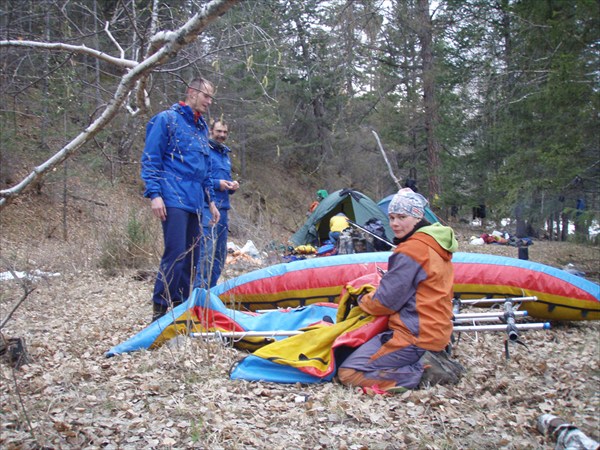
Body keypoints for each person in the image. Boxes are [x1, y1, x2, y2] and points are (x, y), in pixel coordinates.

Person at [337, 188, 458, 392]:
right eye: (392, 217)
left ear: (417, 217)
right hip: (436, 331)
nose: (395, 223)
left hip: (415, 335)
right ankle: (428, 360)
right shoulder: (435, 244)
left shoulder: (412, 250)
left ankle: (425, 372)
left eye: (402, 217)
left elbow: (384, 302)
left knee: (349, 373)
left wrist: (362, 299)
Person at [141, 77, 220, 322]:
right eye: (206, 96)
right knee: (175, 254)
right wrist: (154, 195)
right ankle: (159, 312)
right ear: (191, 92)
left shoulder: (202, 128)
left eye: (211, 97)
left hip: (196, 201)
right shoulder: (167, 119)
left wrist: (212, 201)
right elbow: (151, 158)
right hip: (172, 196)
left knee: (192, 259)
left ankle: (181, 309)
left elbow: (205, 168)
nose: (209, 101)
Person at [196, 119, 240, 288]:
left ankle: (211, 292)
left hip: (224, 209)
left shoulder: (225, 155)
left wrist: (232, 186)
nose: (222, 135)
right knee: (205, 253)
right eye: (219, 131)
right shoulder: (204, 151)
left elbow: (226, 184)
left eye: (225, 132)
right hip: (207, 207)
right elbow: (200, 178)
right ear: (211, 132)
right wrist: (217, 184)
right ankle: (198, 294)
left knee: (220, 256)